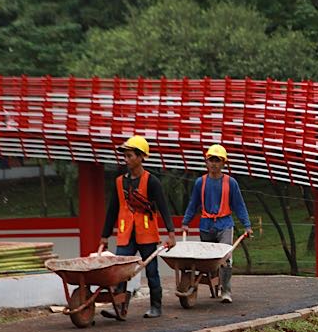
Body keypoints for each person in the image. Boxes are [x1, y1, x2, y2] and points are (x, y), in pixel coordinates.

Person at [100, 135, 176, 319]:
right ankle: (119, 308)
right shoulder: (119, 182)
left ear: (141, 157)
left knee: (151, 271)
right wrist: (104, 235)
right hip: (126, 233)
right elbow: (112, 209)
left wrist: (171, 233)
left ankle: (156, 306)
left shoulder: (152, 181)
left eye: (130, 156)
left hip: (146, 232)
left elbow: (164, 208)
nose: (126, 160)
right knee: (120, 271)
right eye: (125, 156)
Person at [182, 144, 252, 303]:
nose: (214, 164)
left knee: (225, 257)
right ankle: (214, 282)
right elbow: (193, 204)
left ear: (223, 163)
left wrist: (247, 225)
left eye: (217, 161)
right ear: (206, 162)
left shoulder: (230, 183)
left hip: (224, 224)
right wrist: (186, 222)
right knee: (208, 260)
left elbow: (239, 205)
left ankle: (226, 290)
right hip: (206, 225)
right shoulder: (201, 182)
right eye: (211, 160)